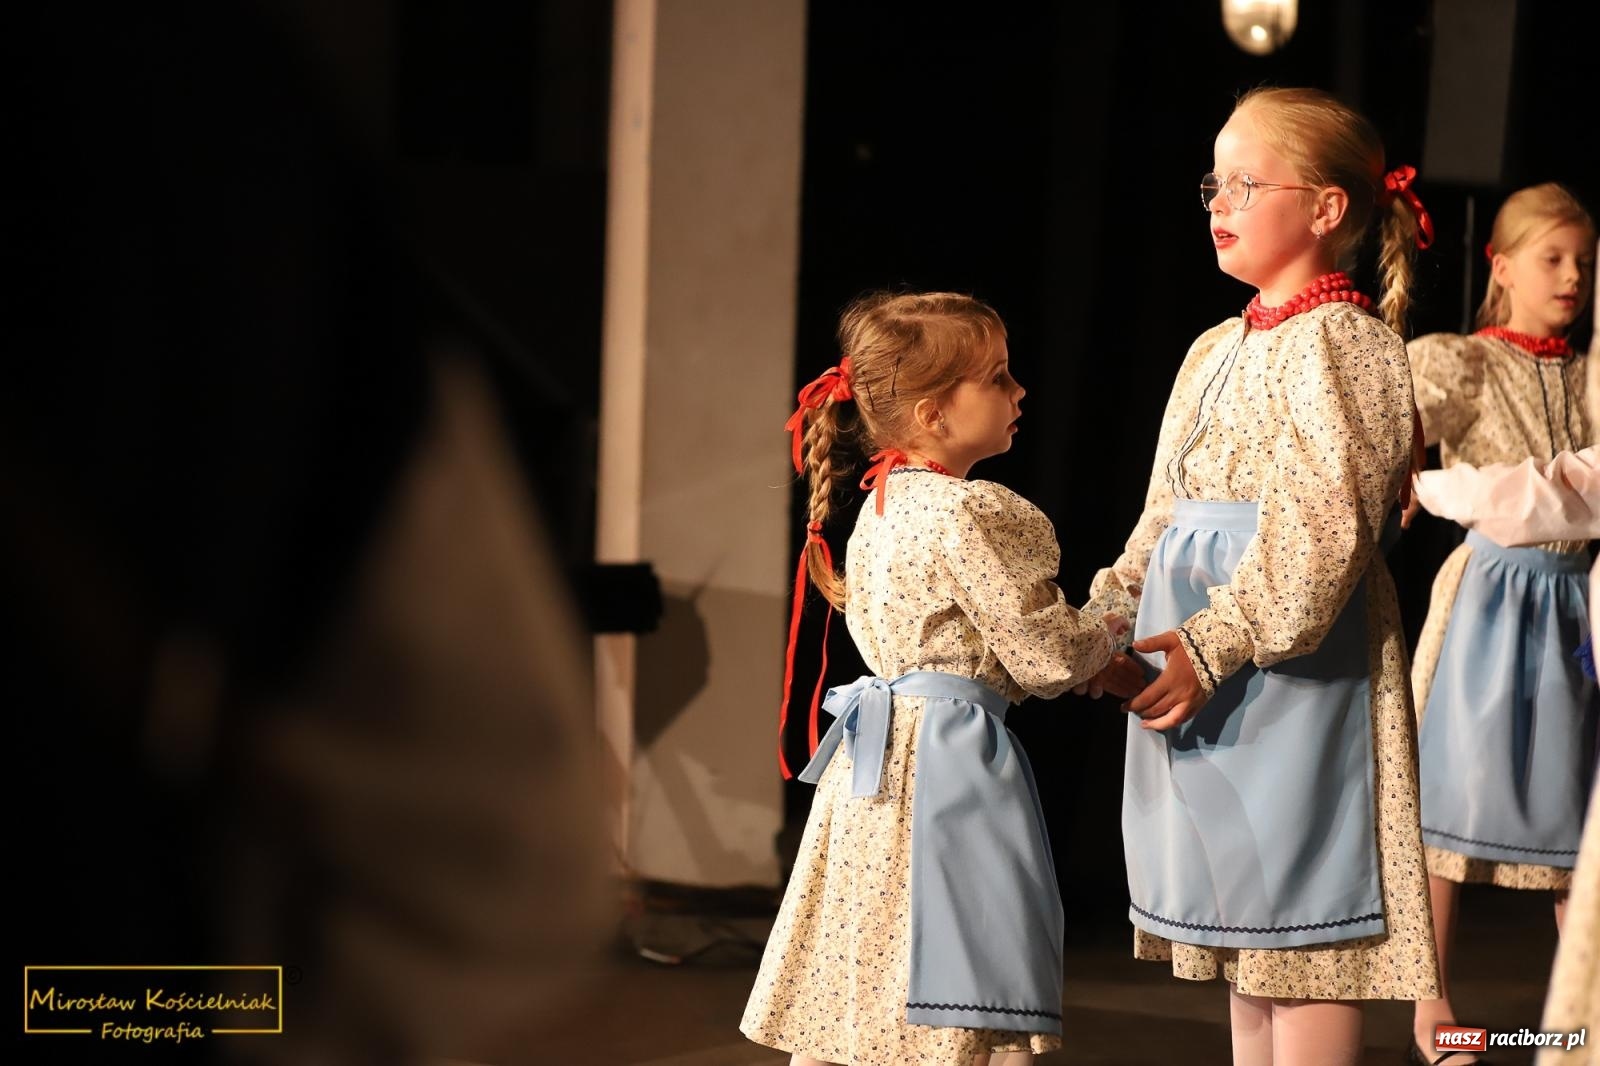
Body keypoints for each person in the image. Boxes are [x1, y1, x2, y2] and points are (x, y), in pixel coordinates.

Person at [1087, 87, 1440, 1066]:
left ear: (1326, 209)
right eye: (1213, 183)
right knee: (1249, 935)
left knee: (1305, 931)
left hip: (1291, 668)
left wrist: (1212, 638)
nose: (1217, 202)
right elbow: (1162, 511)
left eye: (1244, 183)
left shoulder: (1349, 346)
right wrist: (1106, 614)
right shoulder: (1214, 347)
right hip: (1205, 658)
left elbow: (1322, 532)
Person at [740, 291, 1139, 1066]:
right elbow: (1047, 653)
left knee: (873, 959)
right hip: (943, 765)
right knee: (946, 953)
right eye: (996, 378)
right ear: (932, 414)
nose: (1020, 392)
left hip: (874, 767)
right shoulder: (967, 514)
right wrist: (1117, 608)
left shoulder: (884, 511)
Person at [1405, 183, 1597, 1063]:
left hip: (1574, 599)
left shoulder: (1590, 372)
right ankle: (1434, 1008)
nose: (1571, 277)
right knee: (1451, 802)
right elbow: (1388, 412)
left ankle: (1580, 1012)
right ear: (1503, 264)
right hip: (1491, 597)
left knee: (1576, 810)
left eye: (1584, 264)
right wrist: (1402, 461)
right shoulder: (1468, 362)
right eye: (1552, 258)